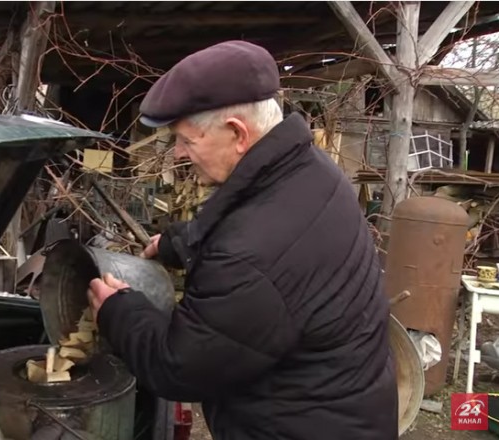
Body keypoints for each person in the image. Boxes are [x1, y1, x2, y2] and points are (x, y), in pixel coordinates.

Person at [87, 40, 398, 440]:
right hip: (347, 411)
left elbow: (178, 366)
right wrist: (179, 243)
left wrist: (118, 311)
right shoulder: (309, 169)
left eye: (186, 139)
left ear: (237, 133)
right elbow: (246, 220)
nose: (179, 154)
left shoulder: (248, 255)